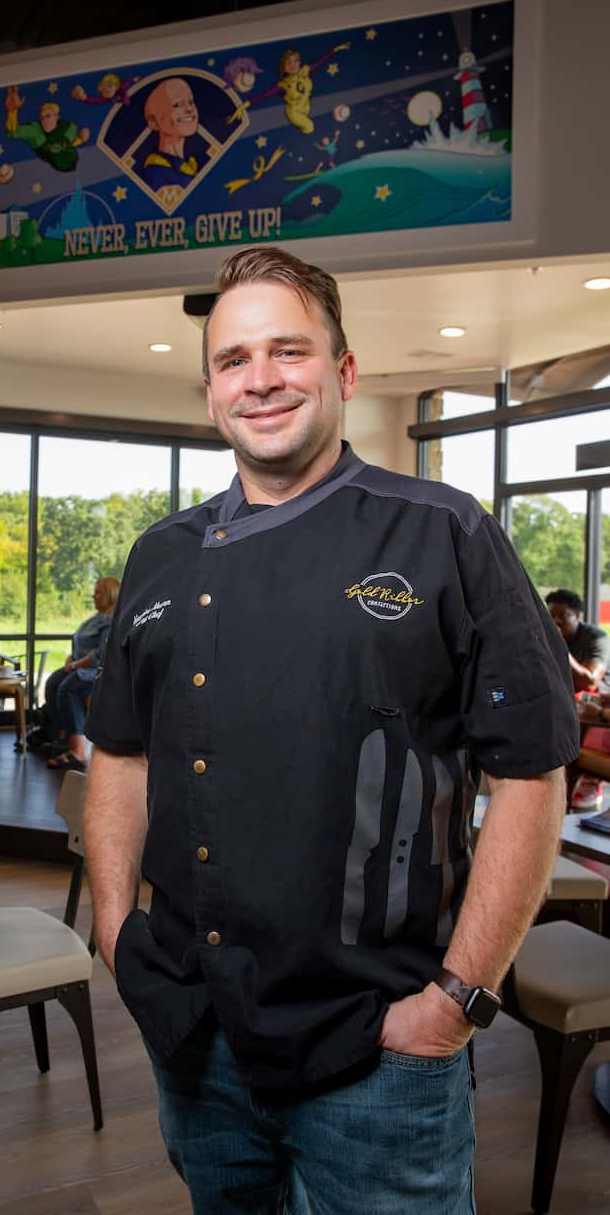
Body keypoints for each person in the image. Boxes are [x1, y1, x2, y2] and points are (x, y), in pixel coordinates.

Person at [84, 245, 580, 1214]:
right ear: (208, 389)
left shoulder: (444, 533)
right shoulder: (160, 554)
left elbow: (529, 774)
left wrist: (455, 1003)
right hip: (195, 1033)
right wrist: (113, 931)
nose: (259, 379)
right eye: (233, 360)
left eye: (287, 351)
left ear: (343, 373)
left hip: (381, 1049)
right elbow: (120, 752)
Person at [43, 576, 120, 771]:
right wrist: (72, 659)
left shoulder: (113, 620)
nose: (94, 596)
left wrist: (76, 664)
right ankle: (64, 738)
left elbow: (101, 653)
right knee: (53, 683)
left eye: (98, 592)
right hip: (80, 666)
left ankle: (79, 751)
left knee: (68, 689)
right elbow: (81, 644)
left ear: (111, 595)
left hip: (97, 672)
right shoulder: (95, 619)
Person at [546, 588, 610, 808]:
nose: (556, 621)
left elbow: (590, 681)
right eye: (551, 616)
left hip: (593, 700)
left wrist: (558, 646)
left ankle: (588, 780)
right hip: (564, 698)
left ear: (578, 615)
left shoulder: (596, 638)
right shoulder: (543, 637)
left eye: (563, 616)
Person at [141, 78, 205, 193]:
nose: (189, 109)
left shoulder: (192, 164)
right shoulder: (157, 173)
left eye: (191, 102)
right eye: (177, 104)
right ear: (153, 122)